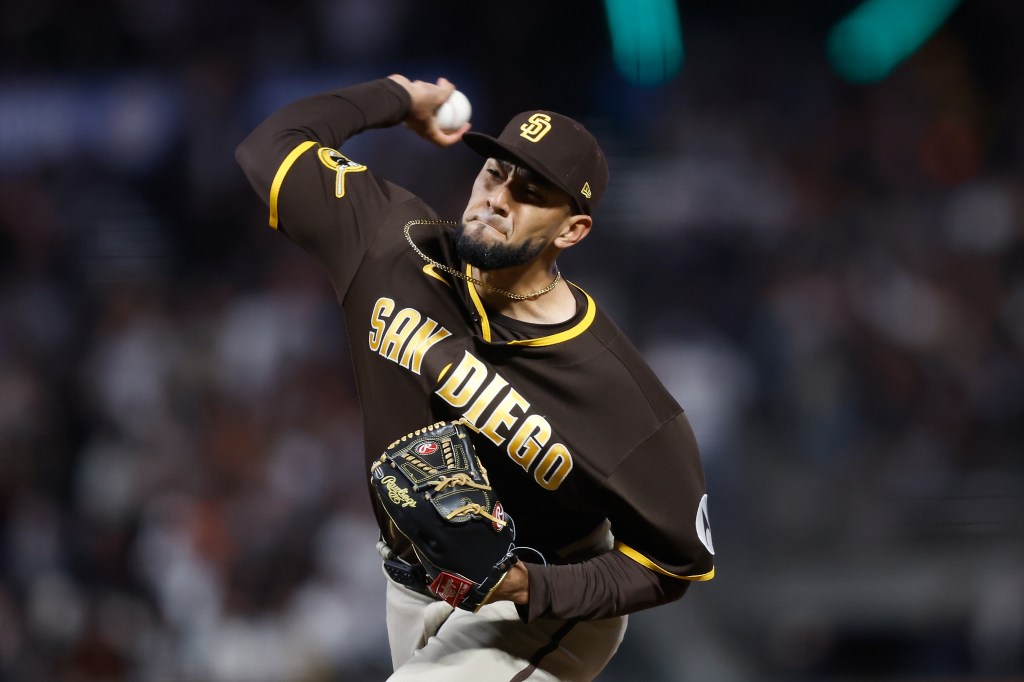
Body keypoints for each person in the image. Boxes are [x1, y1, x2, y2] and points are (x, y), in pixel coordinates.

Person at [235, 74, 715, 681]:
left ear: (572, 230)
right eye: (495, 173)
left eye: (531, 192)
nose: (498, 198)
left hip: (538, 610)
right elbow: (270, 146)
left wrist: (524, 585)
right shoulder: (389, 244)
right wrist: (400, 99)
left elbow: (672, 565)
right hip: (407, 583)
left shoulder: (622, 396)